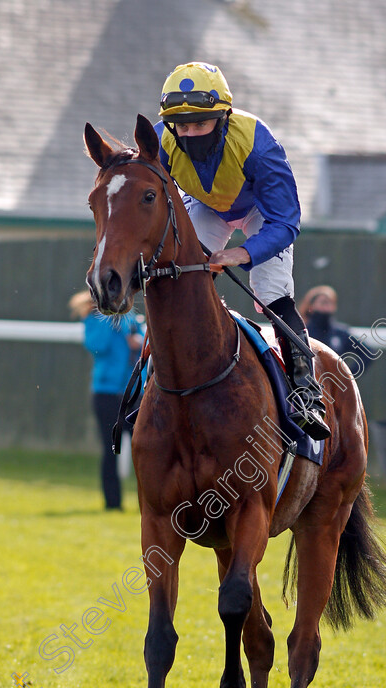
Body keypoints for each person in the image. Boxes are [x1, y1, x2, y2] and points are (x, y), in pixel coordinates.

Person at [154, 61, 330, 440]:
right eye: (181, 125)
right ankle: (150, 382)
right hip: (206, 204)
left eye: (200, 124)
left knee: (271, 295)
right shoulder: (160, 141)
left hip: (260, 211)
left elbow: (286, 222)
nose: (189, 133)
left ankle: (305, 391)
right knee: (179, 275)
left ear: (224, 117)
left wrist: (243, 253)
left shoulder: (259, 145)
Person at [69, 291, 144, 510]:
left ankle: (149, 503)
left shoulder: (130, 318)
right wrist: (110, 321)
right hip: (106, 394)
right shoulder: (93, 320)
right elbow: (97, 346)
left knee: (144, 448)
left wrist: (137, 342)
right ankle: (113, 503)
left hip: (133, 393)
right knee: (111, 450)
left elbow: (144, 345)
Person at [299, 285, 375, 376]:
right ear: (311, 306)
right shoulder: (304, 332)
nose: (327, 306)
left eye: (330, 303)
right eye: (323, 302)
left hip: (335, 386)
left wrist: (348, 376)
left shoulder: (341, 333)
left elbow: (368, 353)